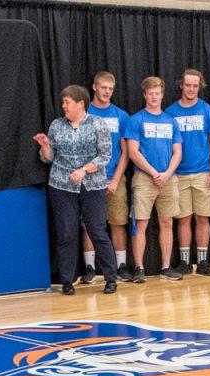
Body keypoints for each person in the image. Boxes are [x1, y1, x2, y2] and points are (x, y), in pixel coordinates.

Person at [33, 85, 118, 295]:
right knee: (66, 234)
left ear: (80, 103)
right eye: (62, 102)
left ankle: (110, 278)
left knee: (97, 231)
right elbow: (49, 157)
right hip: (62, 186)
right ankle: (67, 281)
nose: (63, 106)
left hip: (93, 185)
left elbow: (105, 156)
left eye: (67, 102)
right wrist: (45, 145)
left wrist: (84, 170)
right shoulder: (56, 125)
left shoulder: (98, 124)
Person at [123, 76, 183, 284]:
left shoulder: (170, 121)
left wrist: (167, 173)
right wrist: (153, 172)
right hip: (144, 178)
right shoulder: (136, 120)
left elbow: (178, 152)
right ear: (145, 95)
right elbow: (133, 152)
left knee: (167, 222)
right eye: (150, 93)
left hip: (168, 178)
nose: (154, 96)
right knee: (141, 223)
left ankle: (165, 267)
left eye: (157, 93)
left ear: (162, 94)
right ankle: (139, 268)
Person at [165, 68, 210, 277]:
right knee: (183, 219)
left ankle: (203, 261)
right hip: (178, 174)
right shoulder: (170, 112)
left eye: (195, 86)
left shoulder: (209, 111)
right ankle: (184, 262)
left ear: (200, 87)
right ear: (181, 85)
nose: (191, 89)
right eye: (188, 85)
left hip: (203, 173)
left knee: (203, 218)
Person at [85, 71, 133, 282]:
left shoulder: (121, 116)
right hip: (90, 178)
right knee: (90, 224)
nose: (107, 92)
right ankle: (89, 268)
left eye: (110, 89)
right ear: (94, 87)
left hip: (115, 178)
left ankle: (121, 266)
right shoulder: (85, 112)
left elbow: (125, 152)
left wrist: (115, 180)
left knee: (117, 222)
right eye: (103, 87)